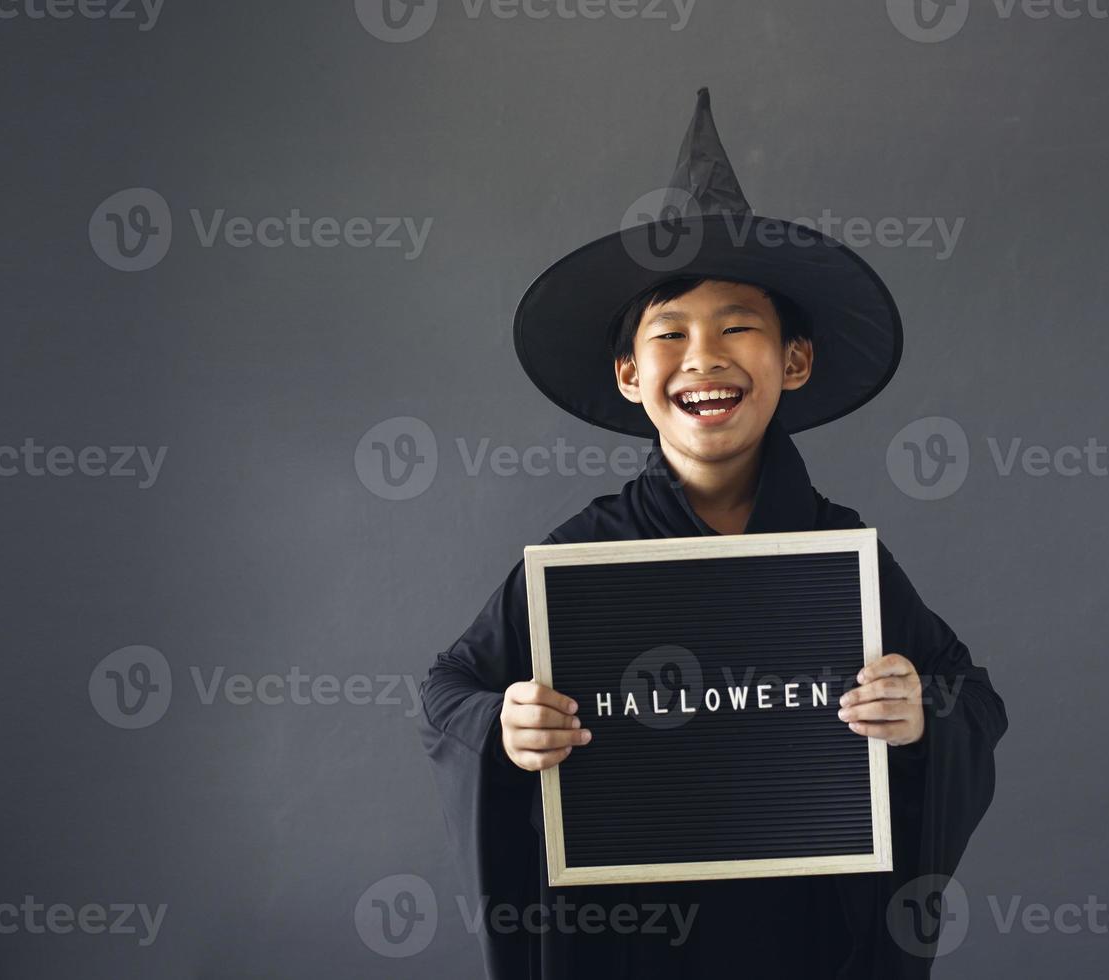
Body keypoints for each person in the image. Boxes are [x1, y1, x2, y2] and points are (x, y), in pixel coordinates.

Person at [418, 87, 1007, 979]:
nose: (704, 358)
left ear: (793, 361)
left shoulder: (836, 551)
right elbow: (448, 690)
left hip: (801, 932)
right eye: (670, 334)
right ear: (627, 373)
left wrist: (922, 713)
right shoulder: (584, 557)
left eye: (739, 327)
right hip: (623, 935)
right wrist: (502, 723)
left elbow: (975, 701)